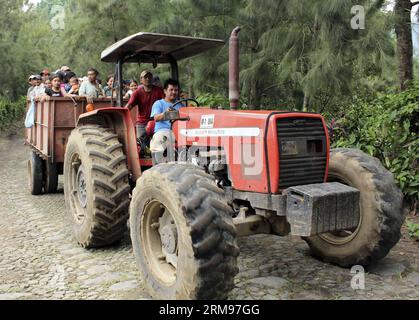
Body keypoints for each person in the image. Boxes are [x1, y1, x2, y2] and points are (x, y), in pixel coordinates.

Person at [149, 78, 181, 164]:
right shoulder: (159, 103)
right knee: (160, 139)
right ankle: (156, 168)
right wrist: (165, 113)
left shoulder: (181, 105)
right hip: (164, 131)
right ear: (165, 91)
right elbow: (156, 117)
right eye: (171, 90)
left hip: (179, 132)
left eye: (176, 90)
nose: (174, 92)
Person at [125, 70, 164, 140]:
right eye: (145, 77)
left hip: (157, 122)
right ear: (141, 80)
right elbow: (129, 106)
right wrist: (124, 116)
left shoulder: (159, 91)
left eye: (150, 77)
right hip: (142, 123)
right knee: (141, 144)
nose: (148, 79)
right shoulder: (137, 93)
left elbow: (166, 102)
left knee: (161, 142)